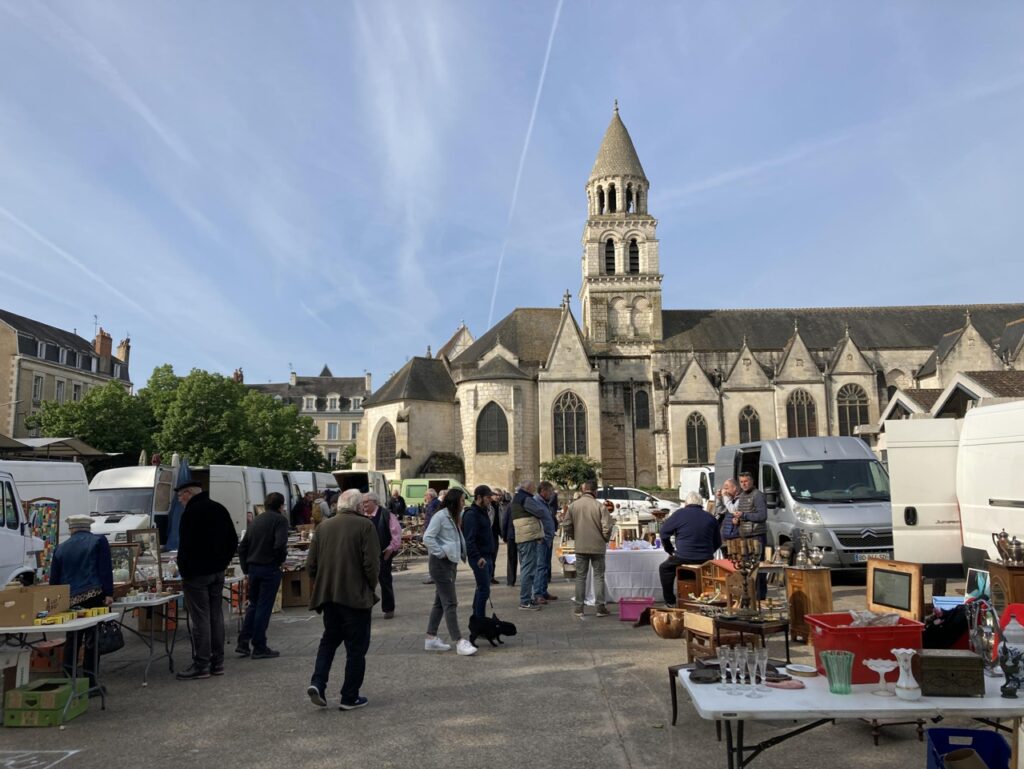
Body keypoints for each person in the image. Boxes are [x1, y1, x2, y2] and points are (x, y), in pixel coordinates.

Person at [306, 489, 380, 710]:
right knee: (356, 648)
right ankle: (349, 696)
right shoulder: (365, 526)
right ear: (359, 507)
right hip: (355, 596)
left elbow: (311, 565)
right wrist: (369, 585)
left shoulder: (323, 527)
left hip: (329, 596)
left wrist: (323, 582)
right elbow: (372, 564)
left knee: (329, 641)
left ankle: (318, 682)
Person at [175, 480, 239, 680]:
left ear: (188, 493)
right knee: (215, 615)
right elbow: (233, 540)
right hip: (217, 571)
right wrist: (223, 561)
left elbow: (185, 546)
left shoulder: (191, 513)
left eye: (180, 496)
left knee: (201, 618)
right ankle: (217, 662)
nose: (179, 500)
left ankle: (202, 664)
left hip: (197, 573)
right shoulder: (219, 508)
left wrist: (184, 570)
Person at [49, 514, 113, 691]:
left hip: (69, 598)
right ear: (88, 527)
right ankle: (90, 682)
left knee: (73, 639)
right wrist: (108, 592)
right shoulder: (99, 541)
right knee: (92, 639)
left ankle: (68, 680)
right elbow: (105, 568)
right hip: (93, 594)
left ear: (71, 529)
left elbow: (54, 579)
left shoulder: (61, 548)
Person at [422, 488, 477, 656]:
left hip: (449, 563)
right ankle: (459, 640)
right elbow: (427, 537)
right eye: (461, 500)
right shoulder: (441, 516)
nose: (463, 503)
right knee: (450, 603)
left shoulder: (452, 516)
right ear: (454, 501)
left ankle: (431, 638)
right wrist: (441, 552)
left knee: (440, 603)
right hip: (440, 564)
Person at [236, 492, 289, 659]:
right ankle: (259, 645)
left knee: (253, 605)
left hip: (254, 568)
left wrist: (246, 568)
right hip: (269, 568)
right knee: (264, 608)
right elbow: (280, 544)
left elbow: (242, 547)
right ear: (281, 506)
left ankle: (243, 641)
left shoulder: (256, 521)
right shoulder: (280, 520)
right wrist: (279, 560)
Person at [657, 491, 722, 606]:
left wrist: (669, 549)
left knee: (665, 569)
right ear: (701, 503)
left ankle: (670, 601)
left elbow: (663, 532)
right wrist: (707, 552)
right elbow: (718, 542)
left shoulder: (679, 514)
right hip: (705, 558)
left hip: (683, 557)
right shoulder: (710, 517)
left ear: (686, 503)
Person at [565, 480, 613, 619]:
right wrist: (604, 538)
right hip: (597, 546)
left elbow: (566, 524)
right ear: (595, 491)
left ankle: (579, 608)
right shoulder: (599, 506)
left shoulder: (573, 506)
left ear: (582, 489)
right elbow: (607, 527)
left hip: (581, 545)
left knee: (580, 577)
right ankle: (600, 607)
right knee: (598, 576)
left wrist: (574, 536)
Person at [362, 492, 401, 619]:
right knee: (364, 582)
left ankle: (388, 609)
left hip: (383, 554)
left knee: (385, 581)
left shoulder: (386, 515)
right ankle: (365, 608)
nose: (364, 504)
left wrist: (390, 549)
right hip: (365, 555)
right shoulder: (361, 516)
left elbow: (396, 535)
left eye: (366, 502)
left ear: (375, 502)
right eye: (363, 502)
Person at [463, 485, 498, 620]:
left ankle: (477, 616)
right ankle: (479, 619)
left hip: (487, 555)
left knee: (482, 588)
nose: (490, 500)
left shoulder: (483, 511)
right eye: (487, 497)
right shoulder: (471, 514)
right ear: (479, 498)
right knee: (484, 589)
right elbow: (469, 540)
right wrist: (477, 557)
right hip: (480, 557)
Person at [511, 480, 545, 611]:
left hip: (524, 536)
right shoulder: (526, 498)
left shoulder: (518, 497)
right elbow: (539, 512)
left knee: (527, 568)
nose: (534, 490)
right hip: (528, 536)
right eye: (533, 487)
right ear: (528, 488)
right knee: (528, 570)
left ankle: (527, 599)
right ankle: (525, 601)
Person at [733, 472, 768, 598]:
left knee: (758, 568)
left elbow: (762, 516)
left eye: (746, 481)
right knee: (746, 568)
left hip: (757, 535)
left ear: (751, 481)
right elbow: (743, 515)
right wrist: (737, 521)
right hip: (745, 536)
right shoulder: (741, 496)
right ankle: (750, 595)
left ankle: (760, 596)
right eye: (741, 482)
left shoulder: (757, 495)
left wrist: (744, 515)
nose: (744, 484)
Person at [531, 481, 558, 604]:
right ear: (543, 491)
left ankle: (543, 591)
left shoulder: (544, 503)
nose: (551, 494)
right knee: (540, 567)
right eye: (550, 492)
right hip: (541, 540)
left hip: (548, 539)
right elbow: (534, 520)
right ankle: (537, 594)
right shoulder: (535, 502)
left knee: (545, 566)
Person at [421, 489, 441, 585]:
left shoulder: (433, 504)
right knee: (434, 557)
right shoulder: (437, 503)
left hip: (432, 534)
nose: (425, 498)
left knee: (432, 557)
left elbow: (433, 519)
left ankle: (432, 576)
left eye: (425, 495)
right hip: (434, 534)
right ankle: (435, 575)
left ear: (430, 496)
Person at [499, 488, 517, 586]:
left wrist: (504, 536)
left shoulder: (509, 506)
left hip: (511, 536)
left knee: (511, 559)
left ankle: (511, 580)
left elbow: (504, 521)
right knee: (524, 560)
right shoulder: (525, 505)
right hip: (519, 535)